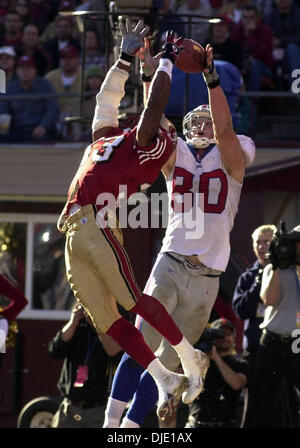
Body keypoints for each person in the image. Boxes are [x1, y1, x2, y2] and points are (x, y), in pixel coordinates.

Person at [56, 18, 207, 420]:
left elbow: (153, 108)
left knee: (136, 303)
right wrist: (125, 58)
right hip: (74, 230)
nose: (156, 123)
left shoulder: (148, 144)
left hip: (97, 223)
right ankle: (163, 378)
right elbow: (108, 100)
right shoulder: (112, 139)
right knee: (108, 323)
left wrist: (167, 62)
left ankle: (189, 357)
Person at [103, 35, 256, 428]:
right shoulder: (177, 151)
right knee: (143, 349)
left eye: (208, 117)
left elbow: (224, 131)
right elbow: (154, 116)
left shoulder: (237, 149)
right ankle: (110, 425)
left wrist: (210, 78)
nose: (203, 123)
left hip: (208, 278)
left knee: (169, 367)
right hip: (171, 263)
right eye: (197, 119)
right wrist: (151, 70)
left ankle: (132, 431)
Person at [254, 224, 300, 428]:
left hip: (297, 344)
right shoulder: (275, 267)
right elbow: (270, 300)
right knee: (262, 403)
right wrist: (279, 265)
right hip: (272, 342)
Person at [48, 303, 122, 428]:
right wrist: (73, 321)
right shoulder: (75, 327)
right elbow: (55, 350)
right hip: (70, 408)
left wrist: (97, 325)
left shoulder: (108, 328)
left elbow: (118, 356)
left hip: (98, 410)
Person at [232, 224, 276, 427]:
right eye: (258, 242)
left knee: (285, 403)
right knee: (254, 407)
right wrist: (258, 282)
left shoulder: (288, 273)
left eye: (267, 241)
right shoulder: (248, 277)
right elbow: (240, 310)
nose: (262, 246)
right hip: (256, 351)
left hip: (283, 348)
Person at [186, 318, 248, 428]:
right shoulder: (199, 362)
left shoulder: (240, 364)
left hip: (226, 424)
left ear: (234, 337)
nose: (224, 338)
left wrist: (216, 357)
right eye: (220, 335)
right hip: (196, 424)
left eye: (228, 334)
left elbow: (237, 383)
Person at [0, 54, 59, 142]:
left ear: (35, 70)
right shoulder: (10, 88)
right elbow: (4, 110)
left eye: (28, 68)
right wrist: (3, 128)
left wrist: (43, 126)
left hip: (40, 129)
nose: (25, 71)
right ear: (16, 71)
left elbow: (52, 109)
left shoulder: (46, 86)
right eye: (22, 68)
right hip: (17, 130)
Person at [230, 5, 274, 91]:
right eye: (246, 17)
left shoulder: (265, 30)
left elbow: (262, 55)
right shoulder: (237, 30)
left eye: (251, 17)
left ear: (257, 18)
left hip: (264, 68)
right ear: (242, 19)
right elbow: (232, 49)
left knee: (254, 64)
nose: (248, 20)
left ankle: (253, 99)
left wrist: (250, 35)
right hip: (242, 65)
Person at [45, 45, 82, 141]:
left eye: (71, 57)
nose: (67, 61)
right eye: (64, 58)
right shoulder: (49, 77)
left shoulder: (84, 75)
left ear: (77, 59)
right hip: (55, 118)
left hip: (78, 118)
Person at [264, 0, 300, 87]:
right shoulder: (269, 16)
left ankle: (297, 89)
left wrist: (281, 42)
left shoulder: (298, 14)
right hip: (273, 54)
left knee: (292, 49)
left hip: (295, 52)